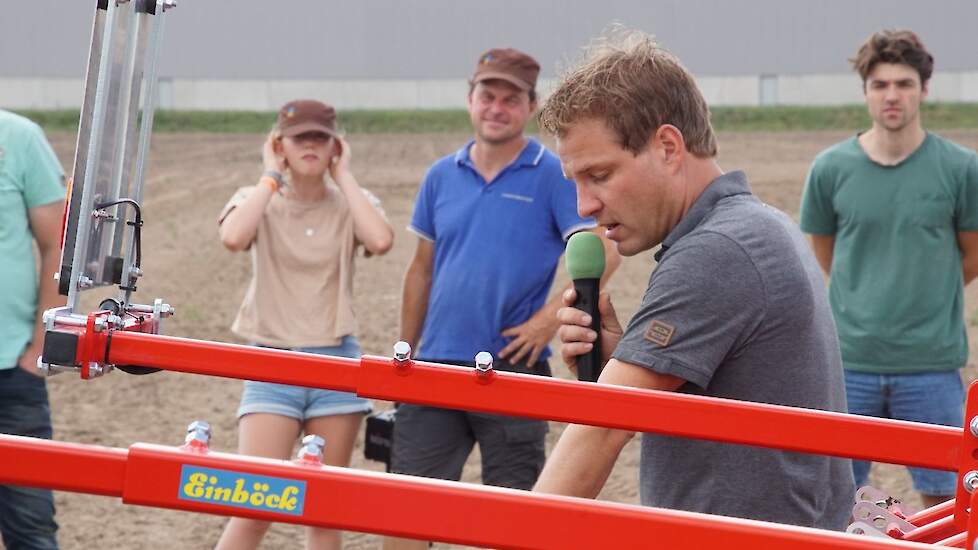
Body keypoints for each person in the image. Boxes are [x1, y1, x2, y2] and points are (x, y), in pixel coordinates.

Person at [532, 31, 854, 530]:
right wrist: (632, 357)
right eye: (575, 181)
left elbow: (602, 430)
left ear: (667, 147)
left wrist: (514, 530)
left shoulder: (719, 250)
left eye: (599, 174)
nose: (584, 206)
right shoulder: (758, 225)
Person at [386, 48, 618, 549]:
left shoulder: (554, 174)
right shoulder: (440, 176)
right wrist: (402, 360)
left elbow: (600, 247)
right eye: (486, 96)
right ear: (470, 100)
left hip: (513, 369)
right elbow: (420, 271)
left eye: (510, 99)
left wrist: (547, 321)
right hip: (434, 369)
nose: (496, 107)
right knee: (406, 515)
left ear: (531, 106)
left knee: (515, 520)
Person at [800, 30, 978, 509]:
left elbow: (972, 252)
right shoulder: (830, 169)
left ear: (924, 89)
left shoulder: (962, 169)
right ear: (865, 93)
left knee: (947, 501)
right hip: (849, 362)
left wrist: (928, 289)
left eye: (904, 83)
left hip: (931, 365)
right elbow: (825, 253)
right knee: (837, 497)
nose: (892, 95)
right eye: (880, 85)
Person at [215, 99, 393, 550]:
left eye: (321, 138)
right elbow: (234, 238)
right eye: (300, 138)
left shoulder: (353, 203)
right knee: (254, 506)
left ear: (336, 146)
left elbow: (381, 240)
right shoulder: (256, 198)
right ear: (280, 145)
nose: (310, 146)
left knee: (323, 512)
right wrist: (270, 176)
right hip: (272, 363)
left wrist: (344, 176)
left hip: (336, 365)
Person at [0, 109, 66, 549]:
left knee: (30, 528)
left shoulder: (18, 137)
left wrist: (39, 350)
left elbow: (56, 243)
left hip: (10, 368)